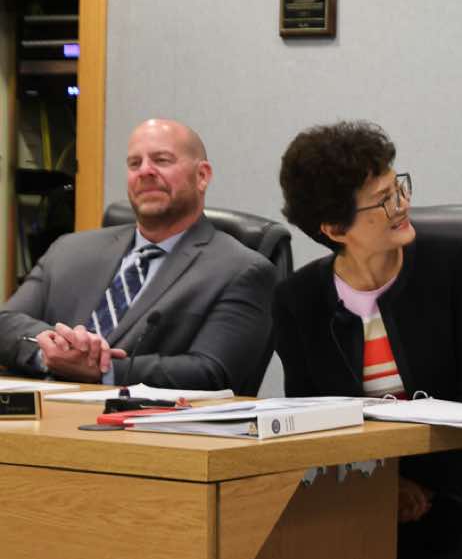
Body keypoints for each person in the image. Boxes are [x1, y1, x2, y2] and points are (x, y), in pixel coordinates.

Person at [271, 122, 462, 559]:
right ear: (335, 228)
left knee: (340, 545)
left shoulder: (454, 267)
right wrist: (379, 484)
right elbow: (310, 420)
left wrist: (408, 484)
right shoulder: (297, 300)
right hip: (355, 485)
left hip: (454, 482)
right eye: (383, 200)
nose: (402, 205)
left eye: (398, 188)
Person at [0, 118, 276, 391]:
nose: (145, 171)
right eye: (135, 163)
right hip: (39, 412)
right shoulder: (70, 250)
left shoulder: (241, 270)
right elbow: (5, 322)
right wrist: (49, 350)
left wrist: (101, 370)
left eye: (162, 160)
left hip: (143, 418)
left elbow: (211, 372)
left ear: (202, 176)